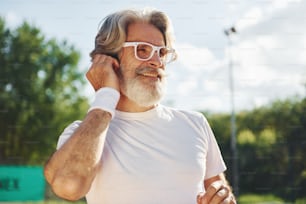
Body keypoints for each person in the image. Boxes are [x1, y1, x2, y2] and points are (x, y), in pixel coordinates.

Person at [44, 8, 236, 204]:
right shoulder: (82, 135)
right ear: (109, 59)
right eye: (142, 49)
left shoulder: (196, 123)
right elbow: (68, 186)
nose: (156, 62)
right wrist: (105, 96)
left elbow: (220, 193)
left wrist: (224, 199)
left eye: (161, 52)